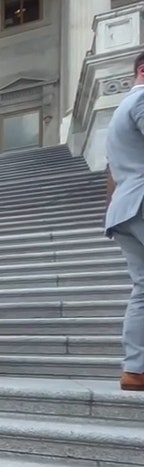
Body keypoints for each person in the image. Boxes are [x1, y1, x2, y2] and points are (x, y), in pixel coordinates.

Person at [104, 51, 144, 392]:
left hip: (125, 207)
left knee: (143, 290)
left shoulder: (119, 111)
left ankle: (136, 370)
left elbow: (113, 171)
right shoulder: (143, 99)